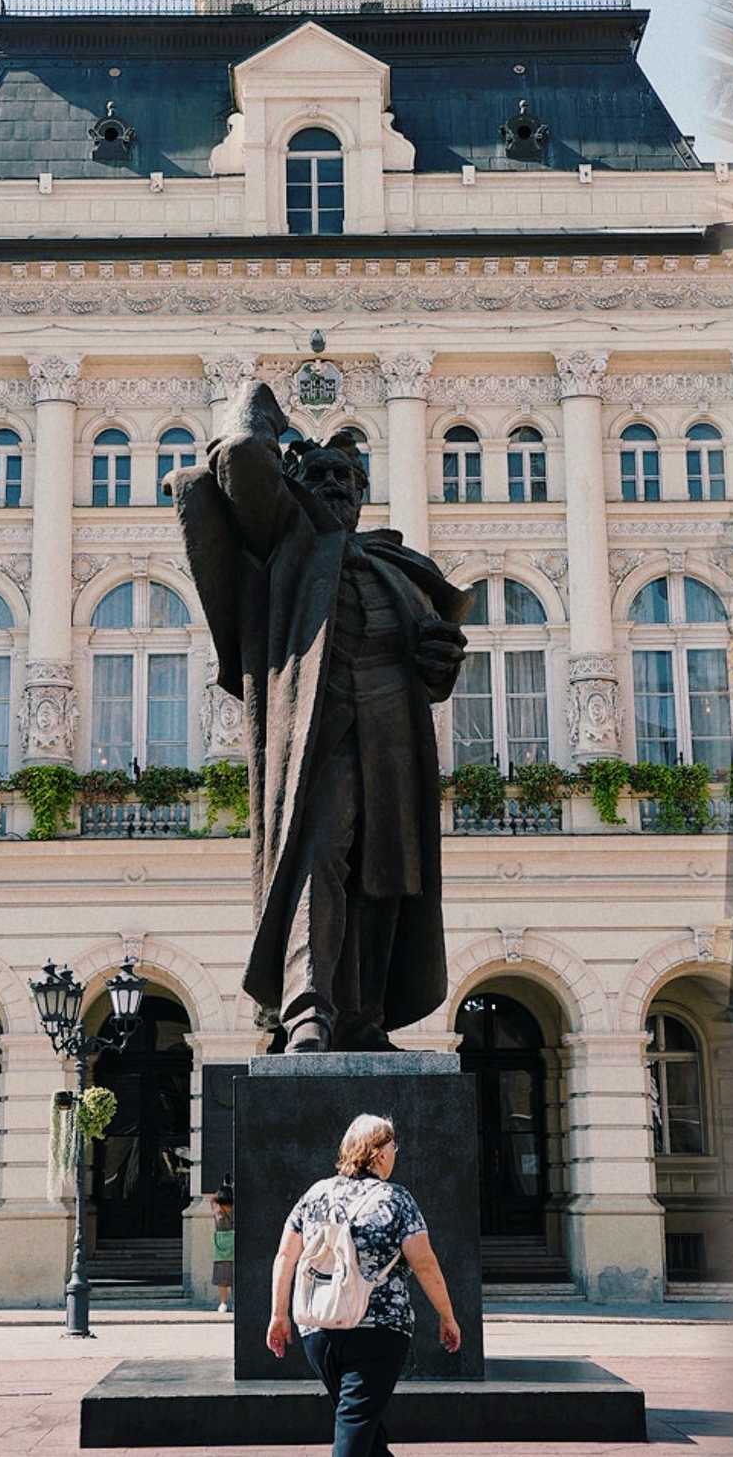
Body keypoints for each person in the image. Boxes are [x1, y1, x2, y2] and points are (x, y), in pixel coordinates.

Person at [175, 383, 466, 1050]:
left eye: (346, 476)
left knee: (385, 869)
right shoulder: (290, 541)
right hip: (319, 728)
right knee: (321, 849)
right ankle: (308, 1008)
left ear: (363, 492)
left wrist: (439, 662)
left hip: (393, 732)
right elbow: (243, 454)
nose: (335, 485)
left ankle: (362, 1017)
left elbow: (436, 669)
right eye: (322, 475)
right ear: (298, 483)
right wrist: (259, 403)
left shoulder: (405, 568)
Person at [269, 1112, 461, 1457]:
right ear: (380, 1152)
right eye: (393, 1147)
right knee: (356, 1421)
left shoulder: (315, 1194)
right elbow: (426, 1264)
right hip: (379, 1330)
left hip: (318, 1326)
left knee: (364, 1425)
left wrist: (278, 1314)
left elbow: (285, 1256)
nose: (394, 1154)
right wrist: (447, 1316)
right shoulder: (396, 1199)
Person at [212, 1174, 235, 1314]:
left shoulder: (217, 1209)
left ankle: (223, 1302)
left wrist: (223, 1186)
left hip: (220, 1243)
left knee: (222, 1278)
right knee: (234, 1275)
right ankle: (234, 1302)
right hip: (233, 1240)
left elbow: (213, 1199)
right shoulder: (234, 1209)